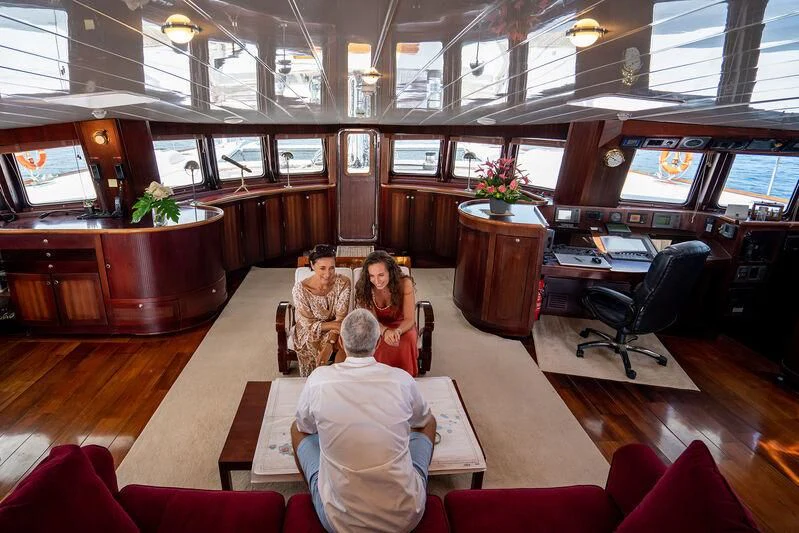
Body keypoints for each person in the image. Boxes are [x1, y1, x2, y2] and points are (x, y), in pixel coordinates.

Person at [291, 309, 437, 533]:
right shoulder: (402, 380)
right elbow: (422, 420)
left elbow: (305, 427)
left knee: (297, 428)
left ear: (341, 342)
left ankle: (319, 490)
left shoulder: (318, 380)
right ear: (378, 343)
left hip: (339, 523)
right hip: (406, 518)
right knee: (429, 423)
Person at [354, 251, 419, 376]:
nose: (376, 281)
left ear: (391, 272)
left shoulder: (405, 284)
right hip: (377, 326)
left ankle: (406, 377)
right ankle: (380, 378)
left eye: (381, 275)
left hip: (402, 325)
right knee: (378, 343)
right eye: (371, 276)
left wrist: (397, 332)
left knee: (408, 339)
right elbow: (371, 320)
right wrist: (385, 331)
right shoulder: (364, 287)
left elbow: (410, 319)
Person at [291, 244, 351, 377]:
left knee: (345, 341)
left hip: (334, 330)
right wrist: (335, 325)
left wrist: (330, 343)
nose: (327, 274)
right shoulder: (300, 290)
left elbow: (340, 319)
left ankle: (338, 380)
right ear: (312, 265)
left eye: (332, 268)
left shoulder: (343, 283)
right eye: (322, 268)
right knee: (312, 341)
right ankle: (313, 380)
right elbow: (309, 325)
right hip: (308, 331)